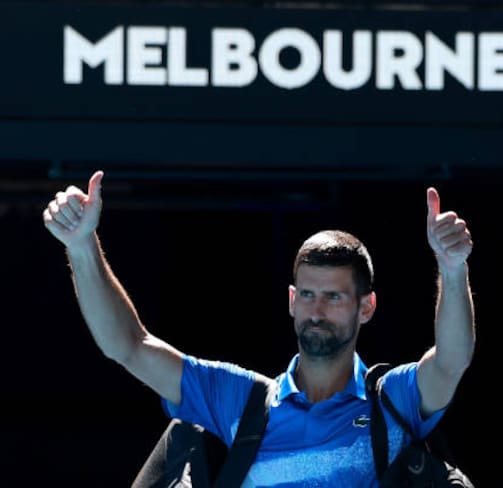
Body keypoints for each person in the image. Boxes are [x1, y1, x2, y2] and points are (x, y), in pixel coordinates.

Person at [43, 170, 476, 486]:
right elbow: (128, 346)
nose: (316, 310)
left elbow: (451, 360)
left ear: (367, 307)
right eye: (307, 294)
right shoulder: (238, 400)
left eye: (333, 297)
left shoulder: (392, 402)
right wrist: (81, 246)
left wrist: (453, 268)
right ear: (291, 300)